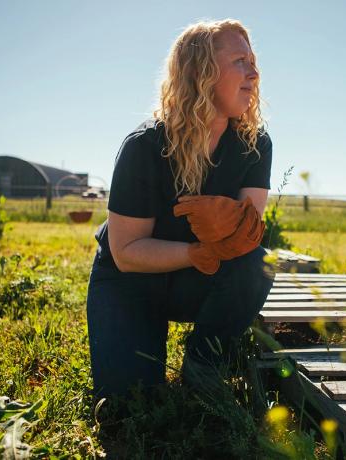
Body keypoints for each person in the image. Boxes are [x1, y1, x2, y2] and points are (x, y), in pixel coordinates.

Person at [85, 19, 275, 408]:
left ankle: (204, 361)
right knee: (130, 403)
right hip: (130, 283)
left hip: (196, 280)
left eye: (254, 61)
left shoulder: (255, 144)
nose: (254, 73)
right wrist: (197, 252)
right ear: (200, 71)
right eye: (240, 61)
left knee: (256, 263)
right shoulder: (144, 146)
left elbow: (245, 238)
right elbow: (126, 252)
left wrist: (231, 230)